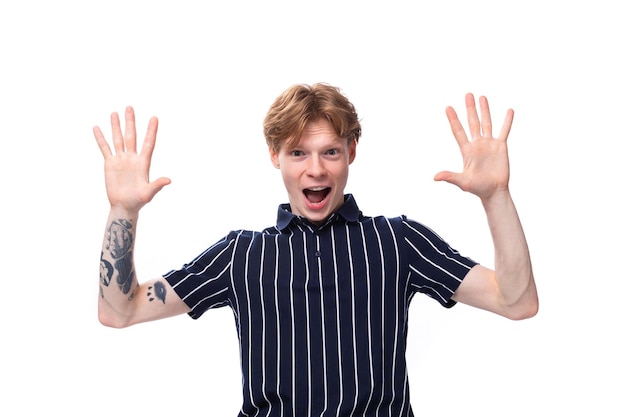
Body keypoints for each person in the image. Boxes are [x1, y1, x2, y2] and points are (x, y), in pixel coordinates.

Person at [93, 83, 538, 417]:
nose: (316, 169)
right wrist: (123, 210)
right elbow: (121, 311)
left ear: (351, 152)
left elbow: (516, 301)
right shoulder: (241, 255)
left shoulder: (399, 242)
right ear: (275, 157)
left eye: (329, 151)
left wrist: (496, 195)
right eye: (298, 153)